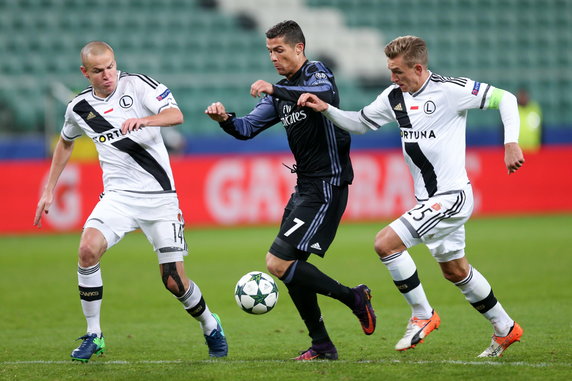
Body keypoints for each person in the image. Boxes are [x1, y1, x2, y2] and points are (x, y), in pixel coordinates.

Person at [298, 35, 525, 358]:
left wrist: (511, 142)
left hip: (451, 197)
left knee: (385, 243)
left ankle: (422, 313)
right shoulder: (395, 97)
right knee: (456, 271)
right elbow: (361, 123)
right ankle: (505, 328)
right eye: (390, 71)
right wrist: (326, 109)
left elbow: (506, 99)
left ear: (418, 68)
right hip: (428, 201)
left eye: (398, 71)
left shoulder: (450, 91)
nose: (392, 78)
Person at [33, 41, 228, 362]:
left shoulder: (138, 85)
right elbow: (65, 143)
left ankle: (210, 324)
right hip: (118, 198)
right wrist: (48, 189)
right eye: (98, 70)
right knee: (86, 250)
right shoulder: (79, 108)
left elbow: (176, 114)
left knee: (174, 281)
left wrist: (146, 120)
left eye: (110, 66)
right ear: (85, 73)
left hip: (160, 198)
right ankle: (94, 334)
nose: (107, 74)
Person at [205, 20, 376, 361]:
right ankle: (323, 346)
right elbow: (245, 128)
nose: (273, 57)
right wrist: (224, 119)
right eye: (269, 51)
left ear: (299, 48)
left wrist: (274, 89)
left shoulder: (317, 72)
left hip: (328, 183)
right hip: (305, 186)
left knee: (278, 262)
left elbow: (323, 97)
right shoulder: (280, 93)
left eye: (279, 50)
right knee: (291, 268)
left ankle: (354, 298)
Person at [516, 87, 543, 152]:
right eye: (521, 96)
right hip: (517, 150)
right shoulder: (513, 110)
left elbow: (541, 128)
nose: (523, 98)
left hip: (534, 149)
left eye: (524, 96)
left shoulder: (535, 108)